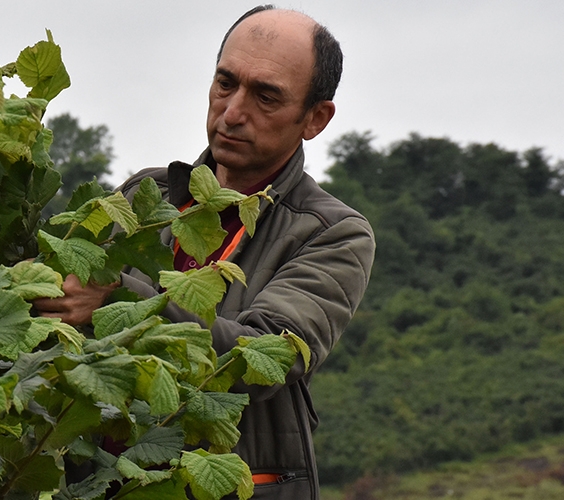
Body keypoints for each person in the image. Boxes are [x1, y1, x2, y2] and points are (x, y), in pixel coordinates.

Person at [34, 6, 375, 499]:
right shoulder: (145, 195)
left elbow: (262, 361)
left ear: (315, 118)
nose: (233, 113)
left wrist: (118, 301)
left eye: (266, 96)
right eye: (225, 84)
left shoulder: (333, 233)